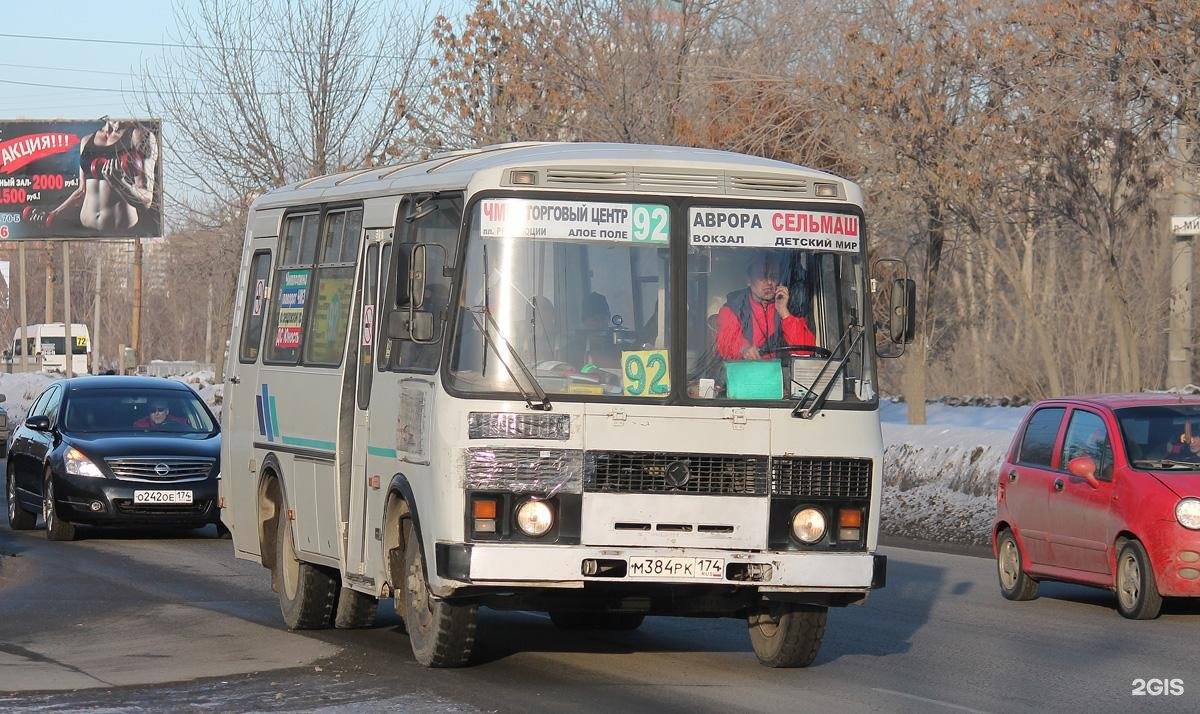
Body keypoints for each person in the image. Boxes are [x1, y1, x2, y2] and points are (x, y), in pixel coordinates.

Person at [24, 119, 159, 234]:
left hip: (122, 233)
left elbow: (146, 199)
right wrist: (54, 213)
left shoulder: (140, 136)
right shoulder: (86, 140)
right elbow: (82, 190)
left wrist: (120, 183)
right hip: (85, 230)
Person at [715, 254, 816, 360]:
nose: (769, 282)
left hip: (783, 373)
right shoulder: (733, 308)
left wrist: (784, 312)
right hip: (746, 372)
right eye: (762, 276)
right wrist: (744, 348)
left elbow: (806, 351)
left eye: (774, 276)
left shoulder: (791, 307)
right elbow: (726, 342)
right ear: (748, 280)